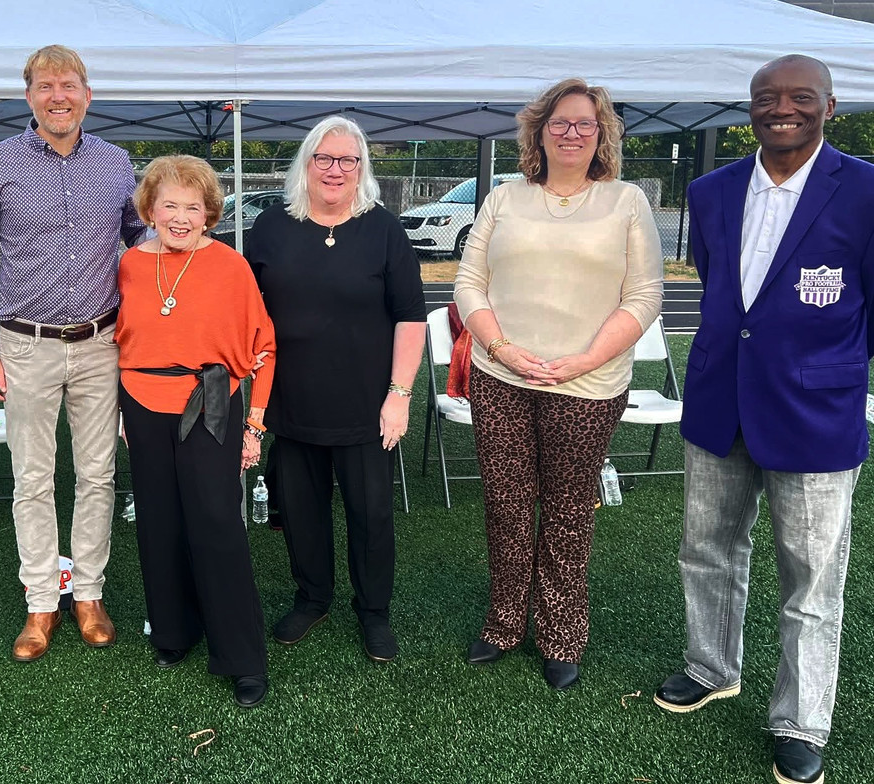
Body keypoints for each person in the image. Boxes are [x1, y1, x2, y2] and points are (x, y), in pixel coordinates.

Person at [653, 55, 872, 784]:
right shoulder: (711, 190)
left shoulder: (867, 190)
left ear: (828, 107)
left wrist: (828, 370)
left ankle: (800, 720)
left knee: (811, 580)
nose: (783, 109)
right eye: (767, 98)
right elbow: (722, 294)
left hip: (814, 415)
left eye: (800, 98)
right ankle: (711, 666)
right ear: (750, 109)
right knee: (706, 548)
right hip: (719, 404)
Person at [454, 77, 663, 690]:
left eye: (586, 124)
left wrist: (584, 359)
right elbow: (469, 282)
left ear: (602, 135)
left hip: (589, 385)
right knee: (507, 505)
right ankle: (503, 623)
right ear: (538, 130)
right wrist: (503, 349)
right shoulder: (504, 199)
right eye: (560, 122)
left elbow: (645, 294)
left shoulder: (626, 200)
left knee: (570, 511)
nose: (572, 133)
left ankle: (562, 634)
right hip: (502, 377)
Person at [0, 44, 146, 661]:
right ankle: (41, 602)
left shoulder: (118, 165)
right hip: (24, 345)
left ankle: (88, 593)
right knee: (31, 479)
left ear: (88, 94)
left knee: (97, 475)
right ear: (29, 95)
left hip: (100, 344)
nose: (58, 96)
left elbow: (142, 252)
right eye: (45, 86)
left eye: (69, 85)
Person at [246, 115, 426, 663]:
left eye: (348, 160)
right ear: (306, 163)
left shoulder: (384, 230)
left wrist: (400, 394)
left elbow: (411, 318)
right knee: (301, 511)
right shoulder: (271, 227)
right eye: (324, 158)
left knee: (371, 516)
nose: (335, 169)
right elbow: (246, 314)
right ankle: (312, 597)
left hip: (366, 407)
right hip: (292, 400)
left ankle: (374, 612)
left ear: (362, 168)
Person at [116, 155, 276, 707]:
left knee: (215, 522)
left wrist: (254, 420)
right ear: (150, 210)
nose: (180, 217)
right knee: (157, 520)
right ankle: (173, 631)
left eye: (193, 207)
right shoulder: (130, 264)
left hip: (210, 398)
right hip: (140, 398)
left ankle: (241, 655)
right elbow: (121, 340)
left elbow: (263, 345)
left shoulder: (231, 265)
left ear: (210, 213)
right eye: (169, 205)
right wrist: (119, 408)